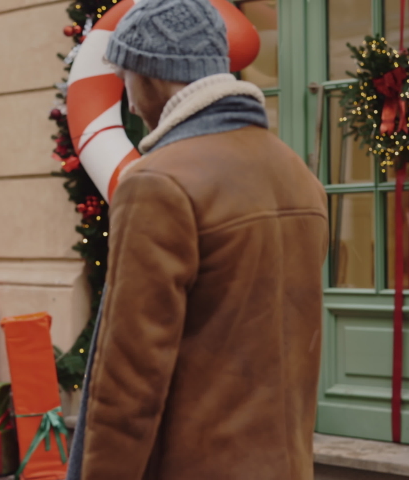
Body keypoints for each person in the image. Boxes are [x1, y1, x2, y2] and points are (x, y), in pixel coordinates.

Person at [66, 0, 329, 479]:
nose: (127, 96)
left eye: (126, 76)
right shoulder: (298, 176)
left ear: (150, 76)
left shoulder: (157, 184)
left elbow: (127, 386)